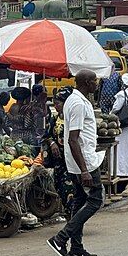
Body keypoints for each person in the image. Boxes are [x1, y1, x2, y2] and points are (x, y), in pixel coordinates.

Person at [47, 70, 103, 256]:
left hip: (76, 160)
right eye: (94, 81)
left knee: (79, 201)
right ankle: (60, 238)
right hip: (83, 160)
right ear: (87, 83)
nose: (97, 83)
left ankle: (77, 248)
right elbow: (73, 139)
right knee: (96, 200)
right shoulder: (78, 103)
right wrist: (85, 170)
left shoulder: (73, 99)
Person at [41, 87, 75, 215]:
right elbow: (46, 135)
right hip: (58, 162)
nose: (56, 106)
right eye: (54, 104)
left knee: (70, 188)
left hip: (71, 159)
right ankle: (69, 216)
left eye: (58, 104)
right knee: (59, 187)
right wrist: (52, 143)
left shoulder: (72, 117)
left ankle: (73, 217)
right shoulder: (55, 118)